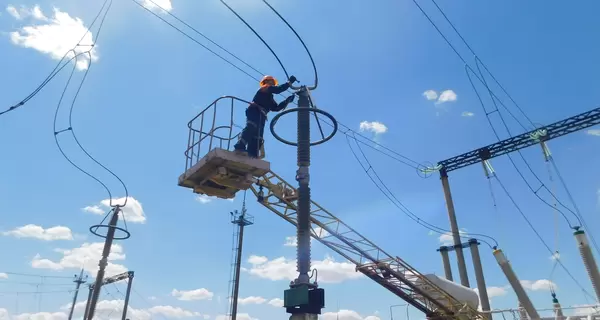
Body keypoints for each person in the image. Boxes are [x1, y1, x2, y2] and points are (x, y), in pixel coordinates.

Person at [234, 75, 297, 158]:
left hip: (262, 116)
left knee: (258, 137)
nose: (273, 84)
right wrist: (289, 83)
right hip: (254, 111)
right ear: (266, 81)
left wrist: (286, 101)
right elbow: (278, 90)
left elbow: (276, 108)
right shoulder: (265, 88)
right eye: (272, 82)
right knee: (251, 127)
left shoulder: (270, 97)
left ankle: (252, 155)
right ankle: (240, 146)